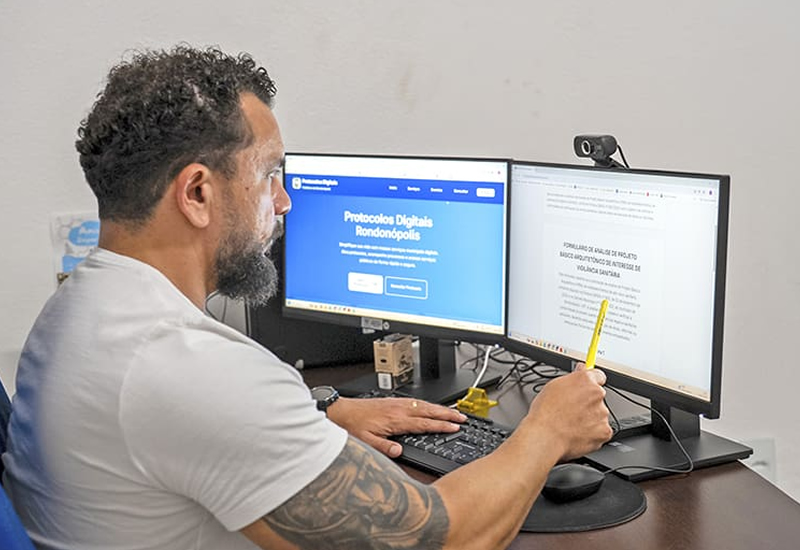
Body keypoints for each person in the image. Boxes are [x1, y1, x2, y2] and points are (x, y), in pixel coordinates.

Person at [2, 45, 612, 550]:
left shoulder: (76, 309)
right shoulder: (188, 367)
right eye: (269, 174)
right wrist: (548, 430)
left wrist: (319, 414)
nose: (285, 201)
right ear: (197, 194)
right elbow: (440, 538)